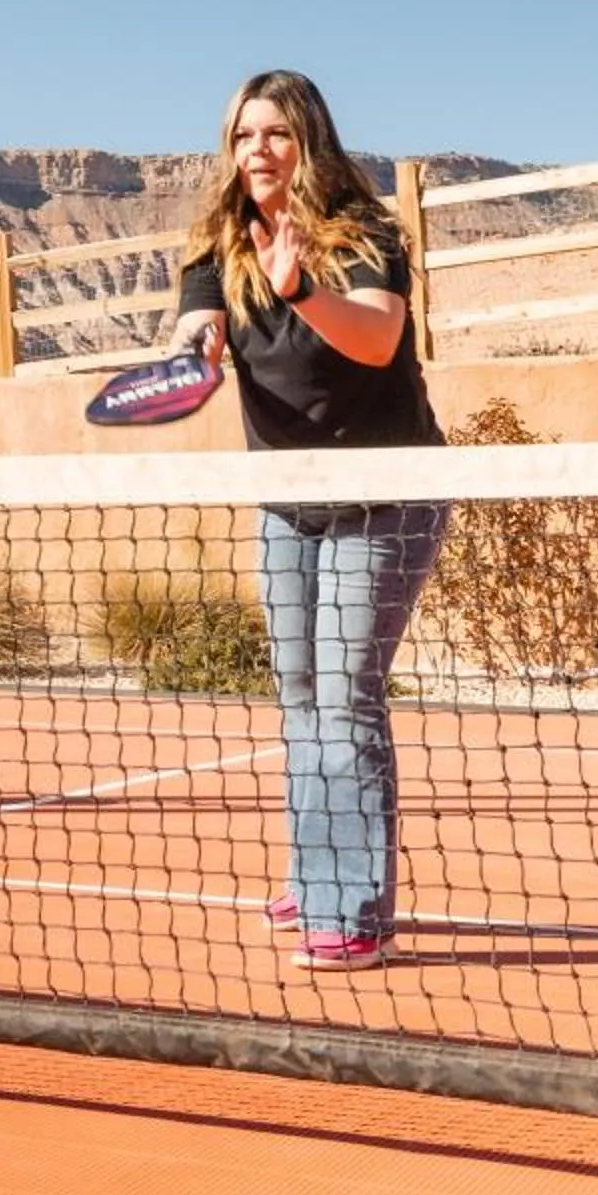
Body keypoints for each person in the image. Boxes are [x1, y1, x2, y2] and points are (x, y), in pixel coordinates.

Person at [169, 72, 446, 971]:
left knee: (346, 694)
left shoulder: (364, 233)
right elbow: (197, 333)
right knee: (299, 693)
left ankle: (352, 909)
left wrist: (298, 290)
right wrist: (189, 353)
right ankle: (316, 866)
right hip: (290, 501)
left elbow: (376, 337)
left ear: (308, 140)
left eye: (275, 133)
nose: (257, 150)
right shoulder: (219, 240)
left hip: (388, 491)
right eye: (243, 135)